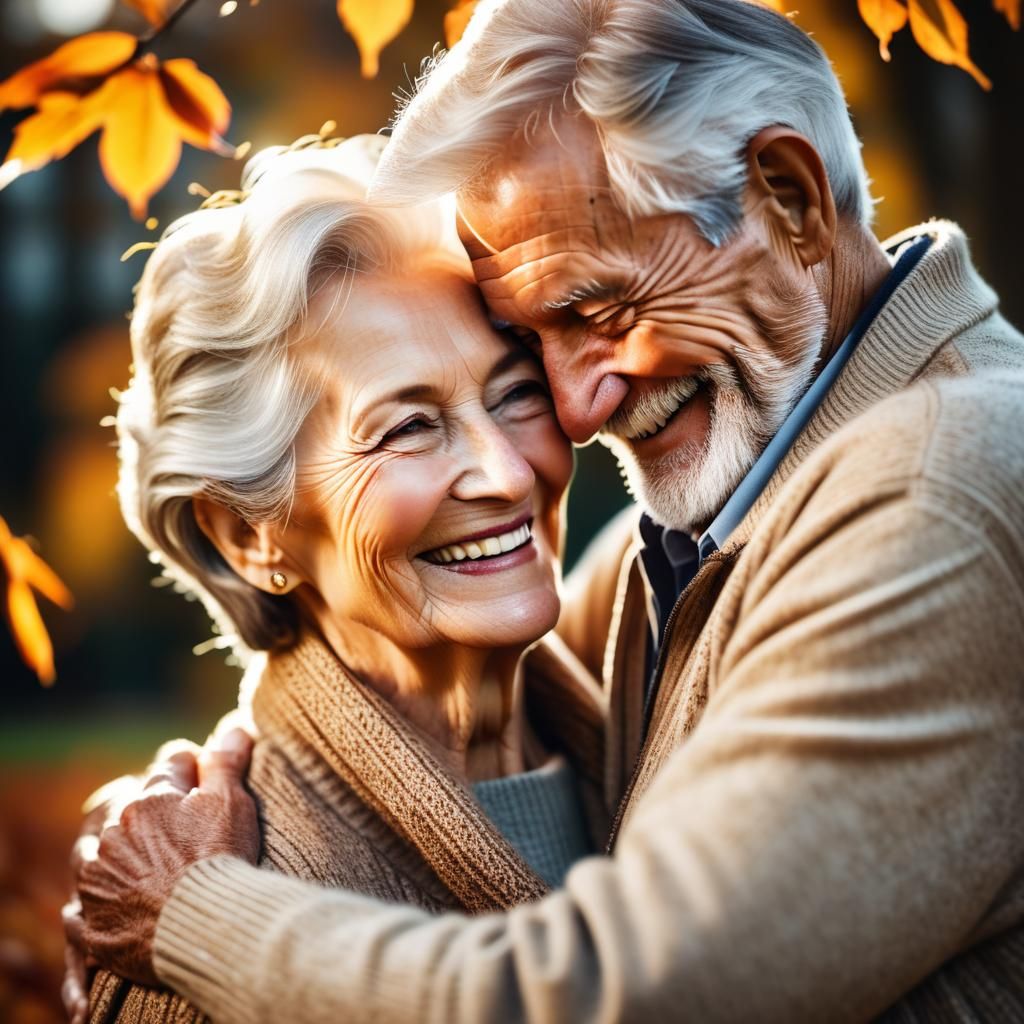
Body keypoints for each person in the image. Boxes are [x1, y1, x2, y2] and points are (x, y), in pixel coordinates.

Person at [71, 0, 1024, 1020]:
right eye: (533, 349)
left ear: (787, 199)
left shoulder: (928, 492)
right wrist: (174, 821)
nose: (568, 418)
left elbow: (642, 994)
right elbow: (416, 685)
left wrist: (196, 916)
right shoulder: (726, 519)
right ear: (248, 529)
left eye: (597, 312)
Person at [71, 131, 613, 1024]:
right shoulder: (207, 940)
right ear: (250, 537)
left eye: (516, 392)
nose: (508, 473)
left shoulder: (646, 714)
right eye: (408, 427)